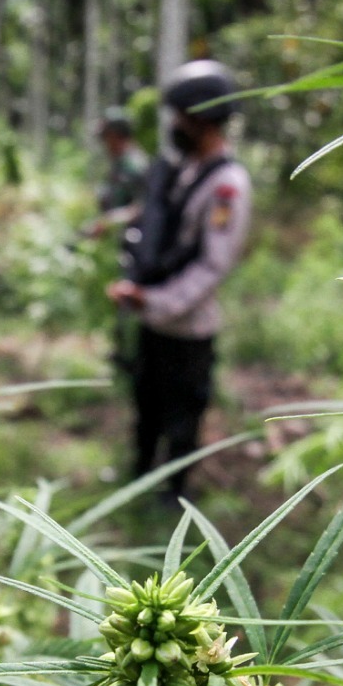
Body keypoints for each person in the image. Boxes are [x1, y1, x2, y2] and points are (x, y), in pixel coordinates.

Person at [106, 60, 253, 501]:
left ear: (203, 119)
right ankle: (139, 479)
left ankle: (173, 494)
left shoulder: (228, 184)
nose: (175, 126)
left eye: (182, 117)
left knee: (182, 415)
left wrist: (153, 301)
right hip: (154, 321)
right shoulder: (183, 170)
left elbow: (214, 264)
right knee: (146, 405)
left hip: (188, 327)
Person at [85, 107, 150, 237]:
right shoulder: (119, 163)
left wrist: (109, 221)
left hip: (134, 240)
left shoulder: (134, 165)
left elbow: (144, 207)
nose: (104, 143)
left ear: (116, 136)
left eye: (105, 137)